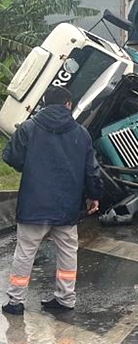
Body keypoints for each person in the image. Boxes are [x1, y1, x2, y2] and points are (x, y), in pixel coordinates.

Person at [2, 86, 102, 315]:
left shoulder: (29, 128)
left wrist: (28, 167)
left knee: (25, 252)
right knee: (68, 252)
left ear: (45, 103)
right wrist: (93, 196)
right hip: (67, 206)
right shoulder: (81, 133)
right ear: (68, 104)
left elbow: (10, 156)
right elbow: (91, 171)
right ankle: (65, 299)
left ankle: (15, 301)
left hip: (34, 203)